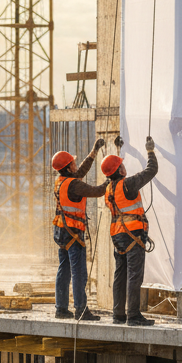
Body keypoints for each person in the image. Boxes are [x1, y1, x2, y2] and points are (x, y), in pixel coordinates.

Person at [101, 135, 158, 326]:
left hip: (118, 235)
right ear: (119, 169)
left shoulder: (109, 189)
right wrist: (150, 151)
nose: (125, 167)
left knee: (120, 273)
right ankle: (133, 315)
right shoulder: (128, 184)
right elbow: (151, 170)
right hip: (133, 233)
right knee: (134, 274)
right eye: (121, 165)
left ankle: (118, 314)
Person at [52, 138, 107, 321]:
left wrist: (93, 152)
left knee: (64, 269)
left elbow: (81, 171)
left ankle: (61, 308)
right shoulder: (74, 185)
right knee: (79, 272)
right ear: (68, 168)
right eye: (73, 163)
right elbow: (98, 191)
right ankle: (81, 310)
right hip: (73, 233)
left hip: (61, 231)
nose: (76, 164)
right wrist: (111, 179)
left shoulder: (61, 180)